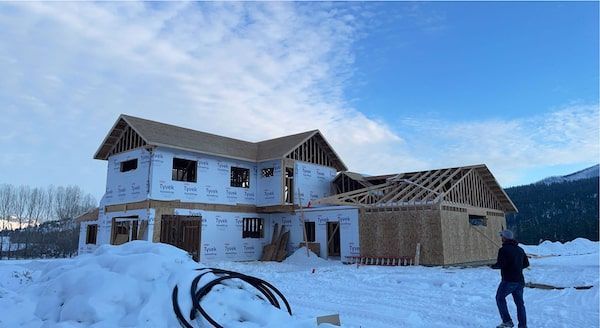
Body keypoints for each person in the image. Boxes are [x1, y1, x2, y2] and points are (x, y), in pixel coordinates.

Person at [491, 229, 529, 328]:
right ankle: (523, 326)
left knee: (499, 298)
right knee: (520, 304)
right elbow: (526, 264)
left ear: (504, 238)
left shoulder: (503, 250)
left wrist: (493, 266)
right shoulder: (520, 249)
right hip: (520, 281)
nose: (501, 238)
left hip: (508, 281)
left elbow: (501, 264)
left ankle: (507, 321)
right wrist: (516, 267)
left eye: (501, 236)